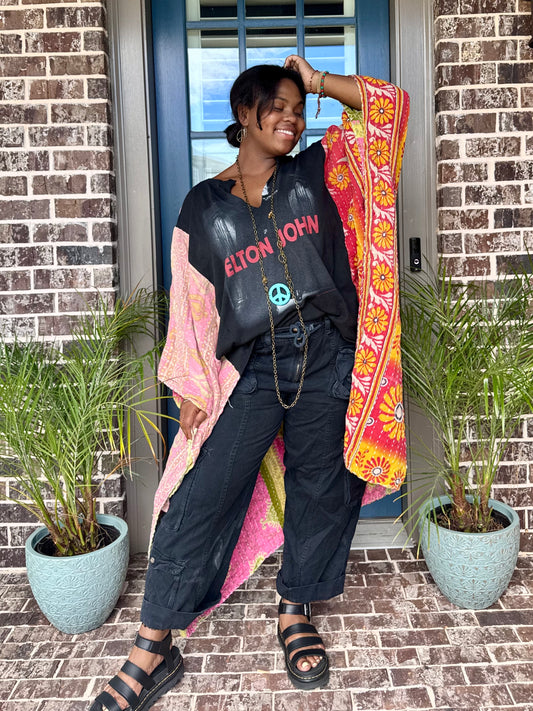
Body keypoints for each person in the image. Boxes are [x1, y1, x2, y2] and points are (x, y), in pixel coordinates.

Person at [90, 55, 409, 711]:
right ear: (244, 114)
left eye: (297, 108)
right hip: (252, 368)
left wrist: (317, 81)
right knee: (199, 496)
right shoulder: (202, 206)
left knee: (321, 486)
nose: (291, 118)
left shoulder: (319, 170)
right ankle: (154, 644)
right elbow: (190, 303)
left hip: (326, 355)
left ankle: (295, 607)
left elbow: (389, 109)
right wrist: (189, 385)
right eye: (277, 107)